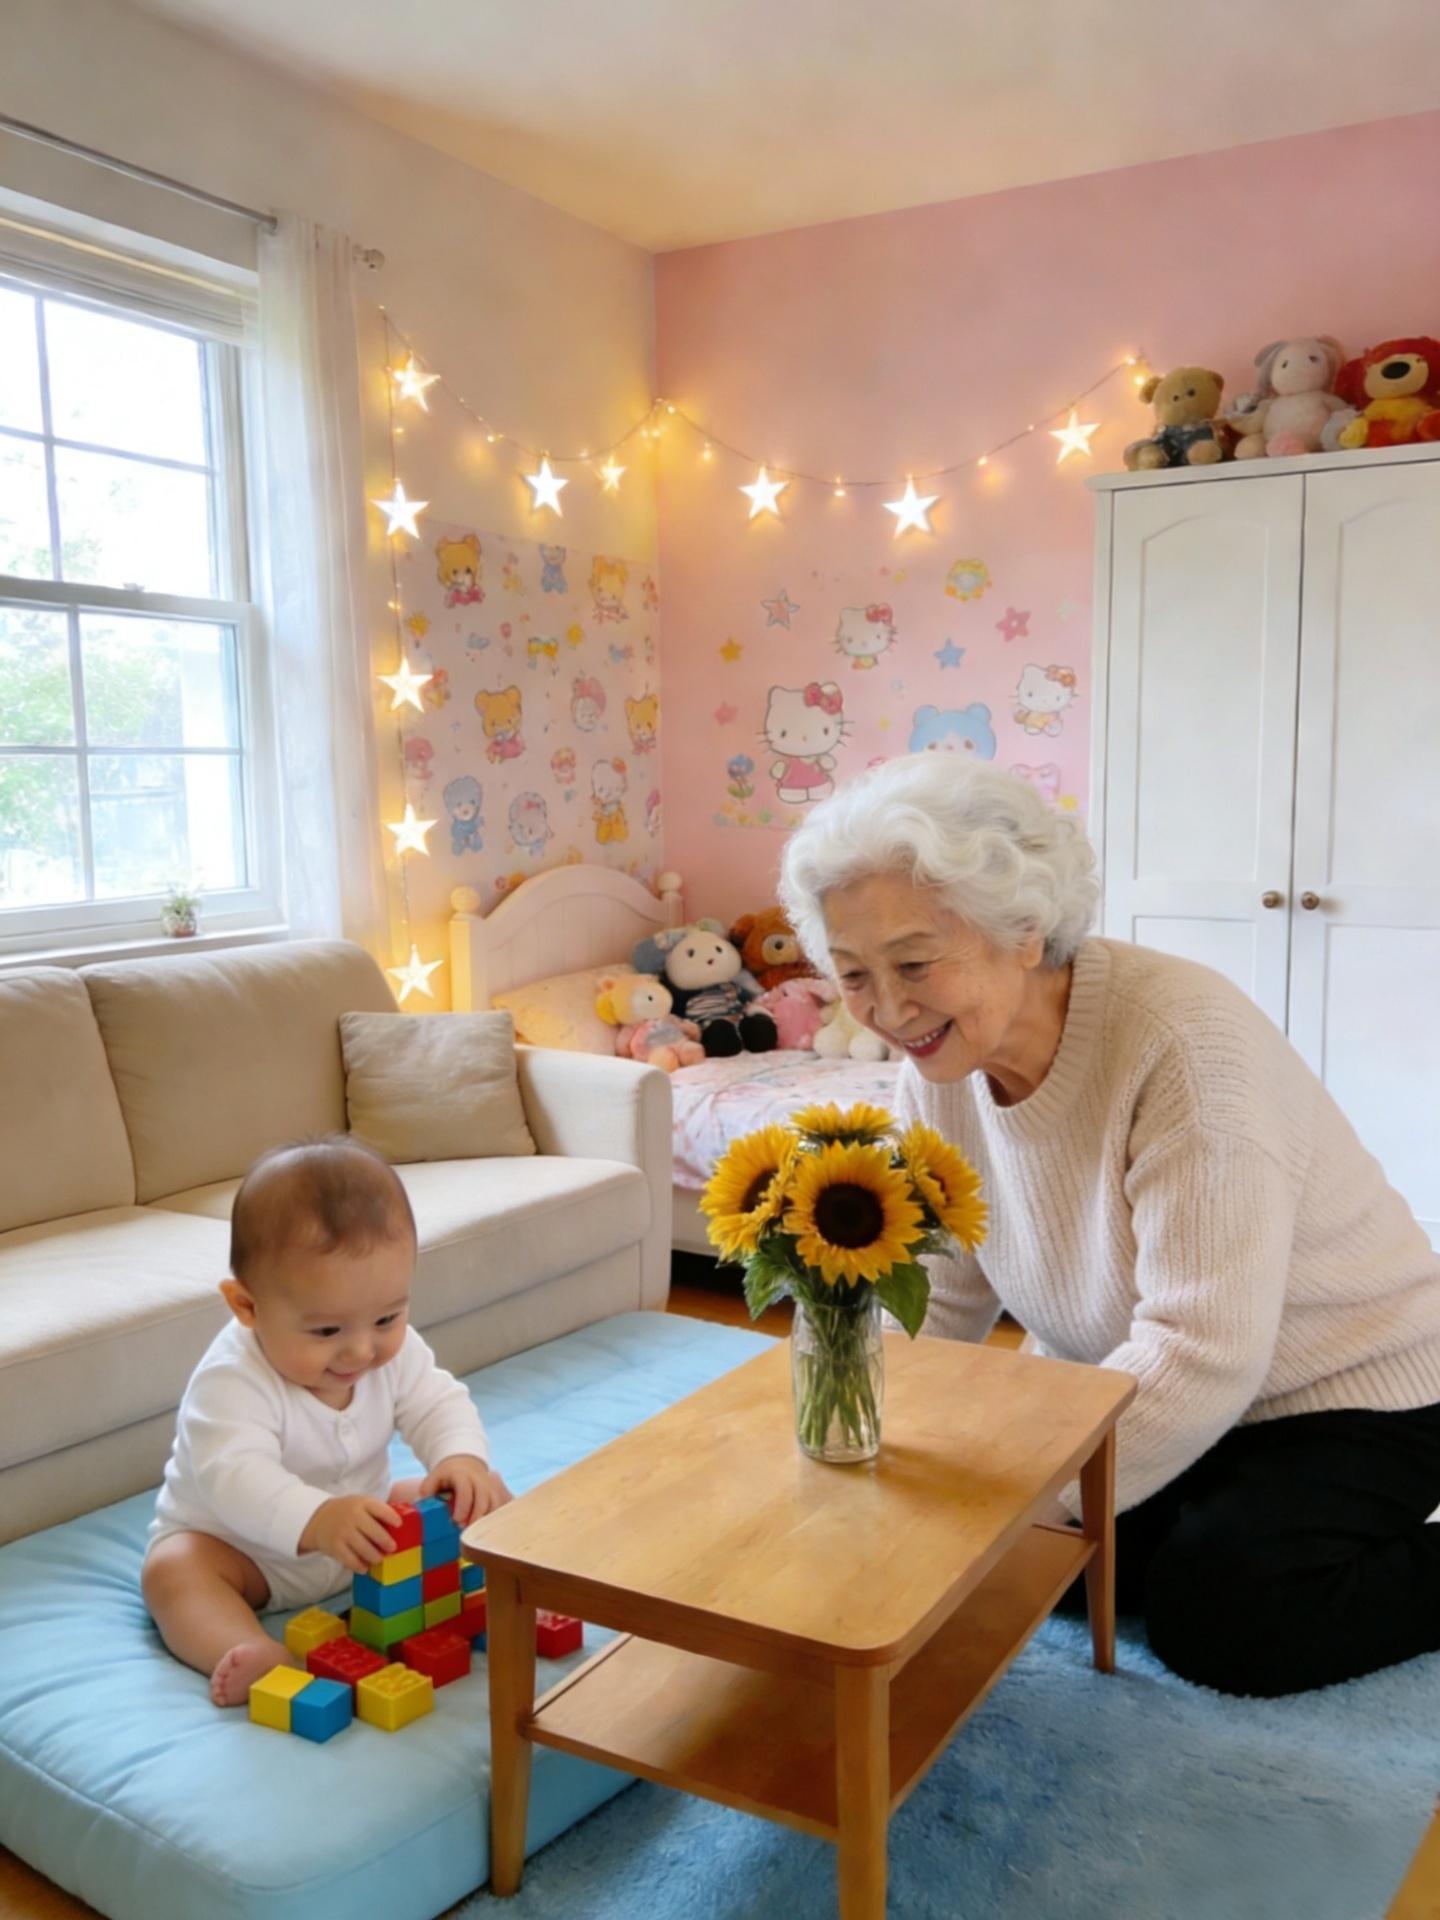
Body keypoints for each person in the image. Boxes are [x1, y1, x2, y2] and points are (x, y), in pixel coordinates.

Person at [779, 754, 1440, 1697]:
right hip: (1132, 1377)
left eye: (914, 963)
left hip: (1349, 1391)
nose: (887, 1008)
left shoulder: (1182, 1043)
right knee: (1041, 1565)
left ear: (1023, 930)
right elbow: (942, 1292)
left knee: (1223, 1617)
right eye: (853, 975)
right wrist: (849, 1425)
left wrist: (1016, 1502)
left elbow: (1205, 1348)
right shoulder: (938, 1069)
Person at [143, 1136, 512, 1706]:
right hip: (246, 1555)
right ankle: (244, 1647)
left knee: (468, 1495)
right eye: (326, 1331)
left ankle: (507, 1571)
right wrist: (317, 1520)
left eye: (387, 1318)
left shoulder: (388, 1351)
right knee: (173, 1571)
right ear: (247, 1307)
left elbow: (437, 1400)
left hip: (361, 1535)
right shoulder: (231, 1380)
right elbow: (234, 1478)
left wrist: (460, 1458)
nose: (361, 1350)